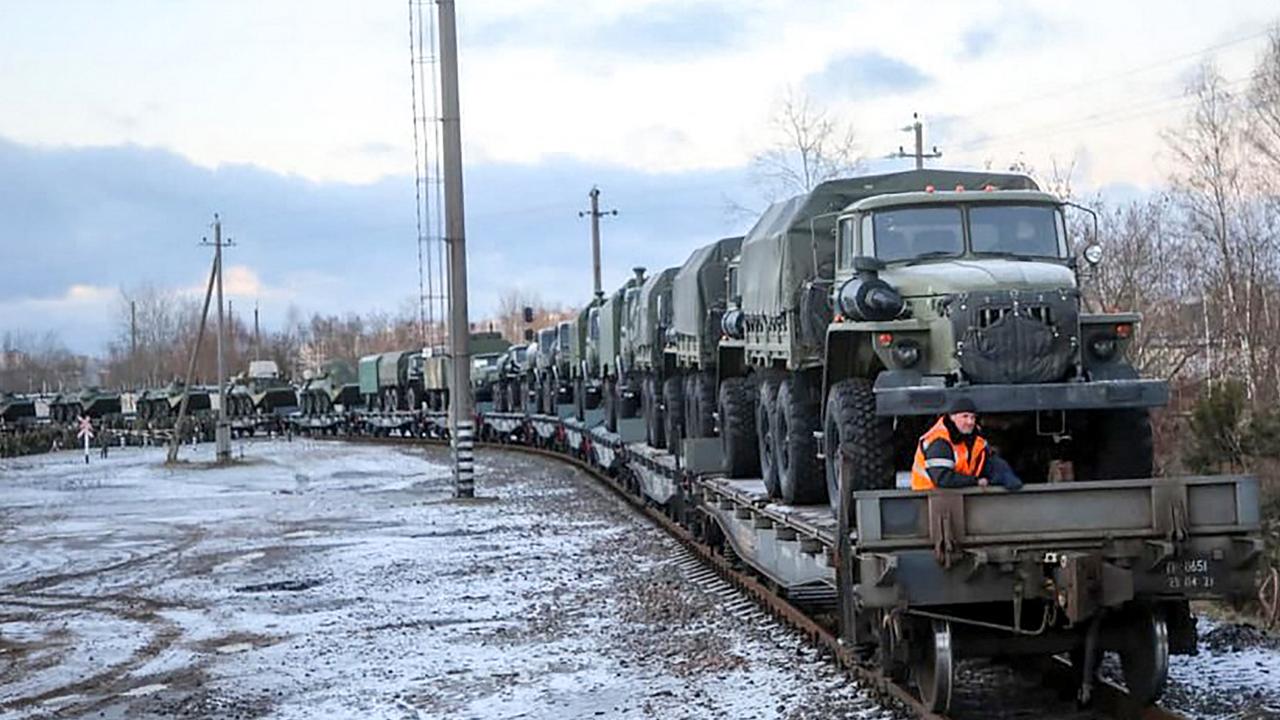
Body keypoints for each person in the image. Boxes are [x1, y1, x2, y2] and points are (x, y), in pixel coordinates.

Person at [910, 398, 1023, 491]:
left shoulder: (974, 440)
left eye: (972, 417)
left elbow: (989, 462)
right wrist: (977, 481)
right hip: (930, 498)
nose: (970, 422)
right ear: (952, 417)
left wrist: (1007, 476)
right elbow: (942, 479)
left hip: (958, 494)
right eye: (965, 416)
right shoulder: (939, 441)